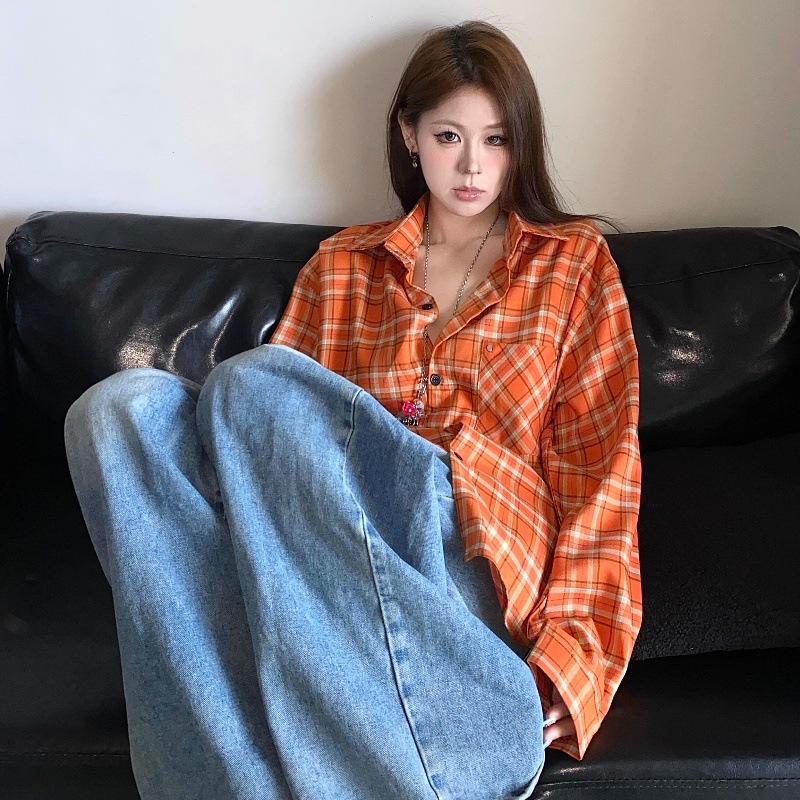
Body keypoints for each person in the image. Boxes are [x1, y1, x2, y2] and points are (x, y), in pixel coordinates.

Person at [63, 19, 641, 800]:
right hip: (329, 559)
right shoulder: (343, 265)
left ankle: (473, 716)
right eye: (448, 136)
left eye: (497, 140)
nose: (473, 166)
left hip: (466, 549)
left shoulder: (573, 265)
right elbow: (267, 462)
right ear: (409, 135)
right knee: (115, 414)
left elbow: (602, 475)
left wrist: (577, 662)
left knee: (250, 385)